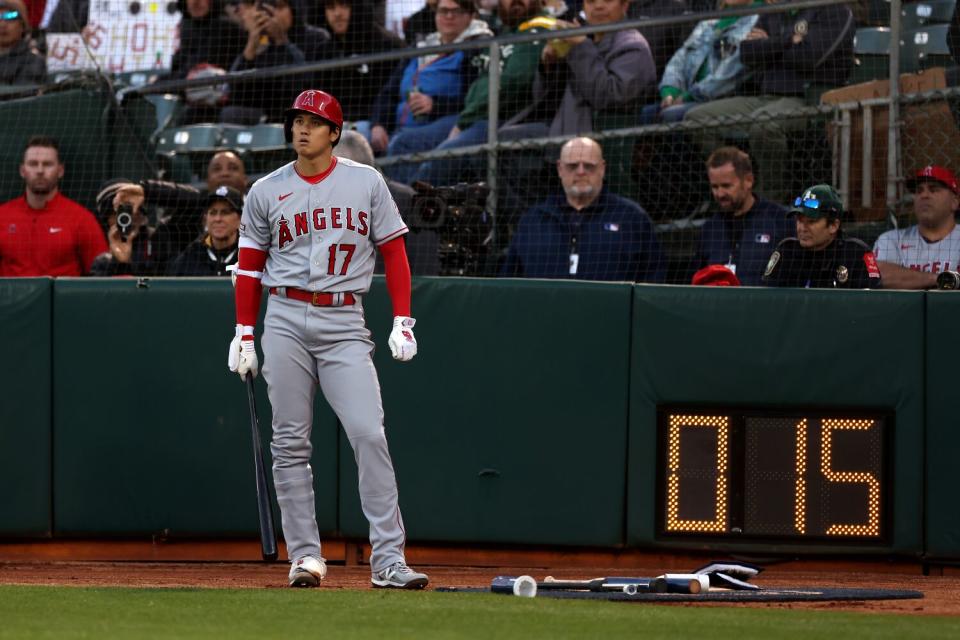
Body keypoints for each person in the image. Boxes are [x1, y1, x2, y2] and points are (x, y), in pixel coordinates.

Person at [227, 89, 429, 589]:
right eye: (296, 120)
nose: (301, 129)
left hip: (344, 320)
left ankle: (388, 560)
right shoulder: (265, 190)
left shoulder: (366, 182)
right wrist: (244, 332)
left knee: (368, 433)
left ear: (334, 132)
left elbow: (395, 253)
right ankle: (306, 557)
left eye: (313, 122)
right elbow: (249, 269)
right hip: (286, 315)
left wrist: (403, 318)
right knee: (290, 442)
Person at [682, 1, 855, 203]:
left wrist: (769, 44)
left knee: (764, 124)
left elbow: (809, 57)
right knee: (697, 118)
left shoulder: (833, 9)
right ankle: (739, 190)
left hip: (808, 99)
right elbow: (747, 53)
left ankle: (769, 202)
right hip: (763, 96)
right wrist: (790, 40)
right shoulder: (774, 11)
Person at [412, 0, 550, 188]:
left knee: (437, 164)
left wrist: (463, 122)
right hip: (472, 118)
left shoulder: (539, 29)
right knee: (405, 144)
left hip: (503, 120)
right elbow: (479, 86)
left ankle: (409, 210)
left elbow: (512, 82)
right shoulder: (506, 32)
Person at [500, 137, 665, 281]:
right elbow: (510, 282)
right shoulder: (533, 221)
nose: (581, 172)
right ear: (560, 169)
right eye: (572, 166)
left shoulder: (631, 218)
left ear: (602, 168)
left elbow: (653, 279)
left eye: (589, 166)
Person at [369, 0, 492, 183]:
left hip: (446, 120)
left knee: (403, 142)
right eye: (443, 11)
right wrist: (378, 124)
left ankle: (404, 205)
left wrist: (435, 104)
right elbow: (389, 92)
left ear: (471, 15)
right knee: (354, 138)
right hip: (397, 124)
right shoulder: (421, 47)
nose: (449, 16)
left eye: (456, 11)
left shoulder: (477, 46)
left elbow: (473, 99)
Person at [107, 150, 249, 257]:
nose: (225, 174)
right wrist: (147, 191)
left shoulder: (263, 212)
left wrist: (147, 191)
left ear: (245, 179)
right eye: (217, 169)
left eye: (233, 168)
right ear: (207, 180)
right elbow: (190, 197)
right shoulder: (186, 225)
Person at [0, 135, 106, 276]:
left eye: (47, 164)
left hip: (62, 298)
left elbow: (105, 275)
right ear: (22, 170)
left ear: (60, 171)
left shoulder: (81, 219)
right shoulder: (3, 216)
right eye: (33, 164)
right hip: (11, 298)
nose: (40, 170)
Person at [642, 0, 760, 124]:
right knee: (648, 112)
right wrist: (670, 91)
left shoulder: (758, 20)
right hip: (688, 96)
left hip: (723, 99)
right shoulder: (710, 21)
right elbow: (679, 58)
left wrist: (689, 96)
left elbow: (730, 75)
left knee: (671, 115)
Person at [692, 146, 791, 286]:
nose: (720, 194)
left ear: (748, 180)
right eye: (715, 187)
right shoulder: (709, 229)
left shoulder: (780, 220)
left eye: (726, 186)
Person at [224, 0, 330, 124]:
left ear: (294, 10)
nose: (273, 15)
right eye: (267, 9)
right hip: (266, 113)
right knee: (230, 113)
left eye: (279, 7)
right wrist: (251, 47)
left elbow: (307, 82)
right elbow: (232, 91)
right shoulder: (260, 42)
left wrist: (282, 41)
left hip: (301, 110)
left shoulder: (316, 37)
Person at [315, 0, 406, 140]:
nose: (337, 13)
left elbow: (389, 96)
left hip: (376, 126)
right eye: (330, 7)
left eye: (344, 5)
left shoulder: (388, 44)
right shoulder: (323, 51)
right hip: (333, 126)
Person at [762, 183, 881, 288]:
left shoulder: (855, 253)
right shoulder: (787, 251)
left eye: (811, 222)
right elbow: (769, 300)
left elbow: (871, 304)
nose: (802, 228)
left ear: (833, 226)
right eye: (799, 220)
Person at [873, 165, 960, 290]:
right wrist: (940, 279)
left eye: (933, 189)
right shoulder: (890, 239)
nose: (924, 195)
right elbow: (874, 274)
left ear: (954, 202)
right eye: (919, 190)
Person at [165, 185, 243, 276]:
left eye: (225, 212)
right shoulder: (190, 257)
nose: (217, 219)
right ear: (205, 219)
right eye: (213, 213)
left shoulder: (251, 253)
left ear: (240, 219)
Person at [0, 0, 47, 85]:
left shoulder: (32, 61)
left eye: (11, 17)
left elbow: (22, 94)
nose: (2, 24)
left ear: (22, 26)